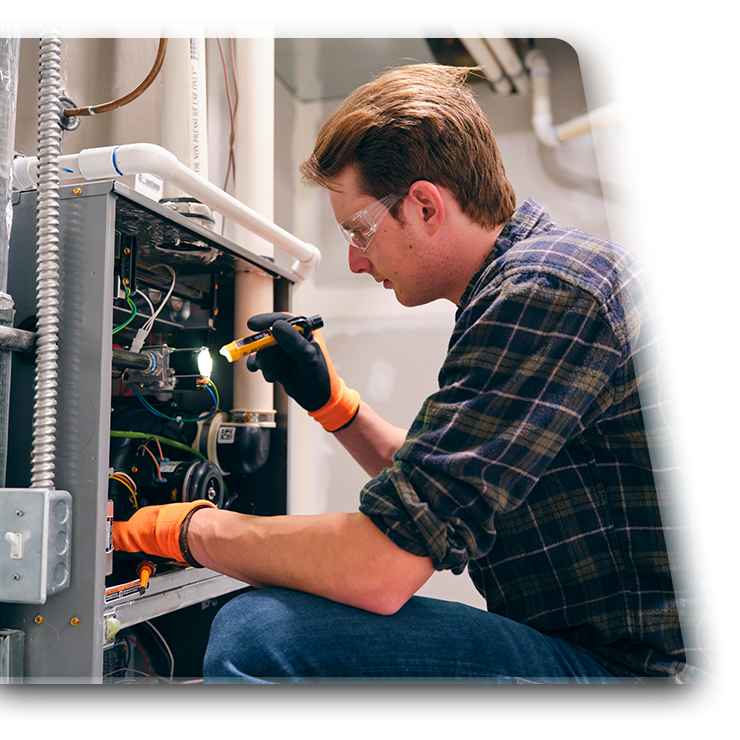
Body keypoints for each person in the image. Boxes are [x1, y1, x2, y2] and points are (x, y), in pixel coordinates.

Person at [114, 64, 727, 684]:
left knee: (260, 636)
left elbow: (379, 568)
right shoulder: (541, 279)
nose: (355, 260)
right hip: (616, 654)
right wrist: (335, 406)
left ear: (426, 205)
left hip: (647, 672)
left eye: (359, 230)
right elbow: (439, 496)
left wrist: (184, 528)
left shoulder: (547, 293)